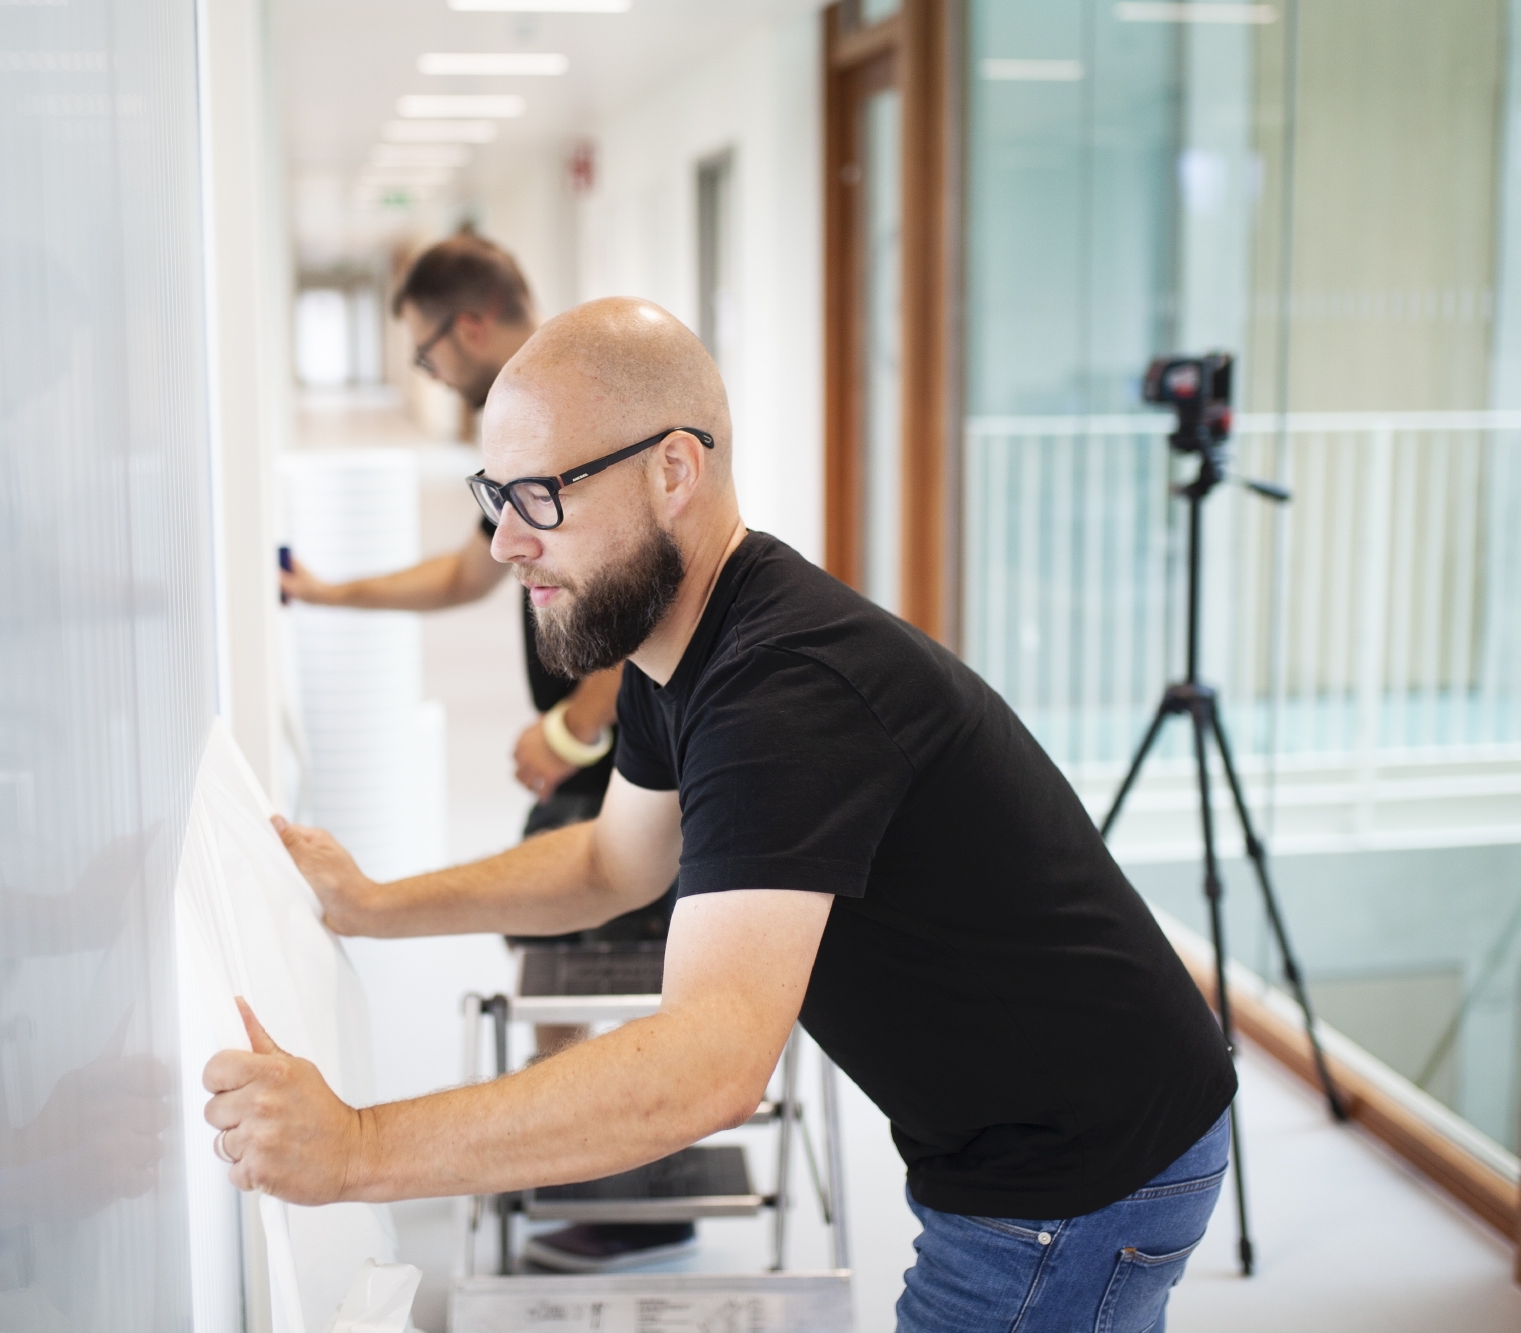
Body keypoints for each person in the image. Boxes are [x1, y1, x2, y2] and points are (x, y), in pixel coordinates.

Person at [211, 297, 1236, 1331]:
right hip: (1024, 1133)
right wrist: (372, 903)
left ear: (672, 470)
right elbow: (613, 864)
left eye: (538, 495)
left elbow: (708, 1066)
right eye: (493, 495)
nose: (508, 542)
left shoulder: (784, 692)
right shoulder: (677, 647)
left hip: (1080, 1165)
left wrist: (353, 1148)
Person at [281, 235, 685, 1271]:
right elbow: (472, 570)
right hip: (586, 756)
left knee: (570, 969)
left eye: (423, 352)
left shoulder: (572, 422)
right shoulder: (518, 436)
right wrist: (329, 593)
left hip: (621, 754)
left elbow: (649, 589)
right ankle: (593, 1168)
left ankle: (626, 1188)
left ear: (467, 324)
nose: (424, 373)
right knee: (544, 955)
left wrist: (569, 728)